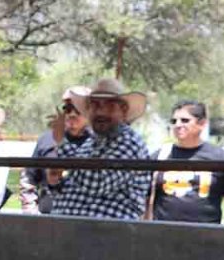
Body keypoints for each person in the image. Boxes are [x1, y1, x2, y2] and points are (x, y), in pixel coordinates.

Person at [47, 78, 151, 220]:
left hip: (105, 233)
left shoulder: (131, 142)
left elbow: (95, 183)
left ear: (123, 110)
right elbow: (76, 182)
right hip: (70, 230)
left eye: (109, 106)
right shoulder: (90, 142)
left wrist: (62, 142)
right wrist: (56, 182)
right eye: (95, 105)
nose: (101, 112)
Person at [146, 100, 224, 224]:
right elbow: (144, 197)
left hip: (205, 237)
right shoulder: (159, 156)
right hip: (162, 235)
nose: (178, 125)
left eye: (185, 120)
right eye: (174, 121)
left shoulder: (219, 157)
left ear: (202, 123)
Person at [20, 85, 90, 214]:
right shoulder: (46, 140)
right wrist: (31, 212)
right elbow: (29, 179)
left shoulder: (97, 144)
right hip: (47, 218)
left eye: (78, 109)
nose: (72, 114)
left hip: (85, 218)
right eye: (68, 109)